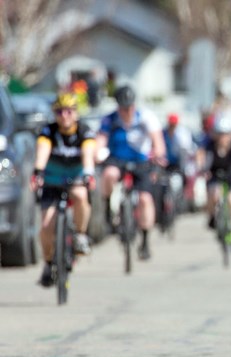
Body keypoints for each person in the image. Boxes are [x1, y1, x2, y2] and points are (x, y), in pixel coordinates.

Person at [30, 93, 96, 287]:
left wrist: (89, 173)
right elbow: (42, 150)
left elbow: (88, 154)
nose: (64, 115)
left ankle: (81, 234)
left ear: (75, 113)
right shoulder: (48, 131)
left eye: (69, 111)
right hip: (52, 179)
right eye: (60, 111)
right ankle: (48, 262)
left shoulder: (84, 131)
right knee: (46, 225)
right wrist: (38, 171)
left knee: (80, 194)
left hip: (76, 177)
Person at [96, 85, 166, 260]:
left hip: (141, 161)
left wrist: (158, 154)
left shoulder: (146, 117)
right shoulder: (109, 119)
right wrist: (97, 153)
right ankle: (107, 205)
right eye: (123, 107)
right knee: (109, 174)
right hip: (117, 159)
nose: (127, 110)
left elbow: (158, 142)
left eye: (130, 106)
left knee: (145, 199)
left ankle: (145, 240)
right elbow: (100, 140)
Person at [201, 115, 231, 252]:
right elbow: (207, 162)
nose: (223, 137)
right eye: (220, 134)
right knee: (213, 194)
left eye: (225, 134)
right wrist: (205, 170)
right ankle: (212, 216)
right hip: (216, 176)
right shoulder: (210, 146)